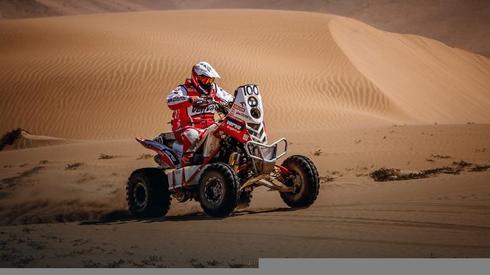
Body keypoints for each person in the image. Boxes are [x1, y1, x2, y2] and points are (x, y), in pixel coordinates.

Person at [166, 61, 234, 166]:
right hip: (185, 127)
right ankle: (186, 162)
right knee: (192, 135)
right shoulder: (184, 89)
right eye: (206, 79)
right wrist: (189, 99)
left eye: (211, 79)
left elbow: (230, 99)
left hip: (208, 127)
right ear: (196, 78)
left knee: (227, 130)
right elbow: (170, 100)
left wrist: (235, 102)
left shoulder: (214, 89)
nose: (209, 82)